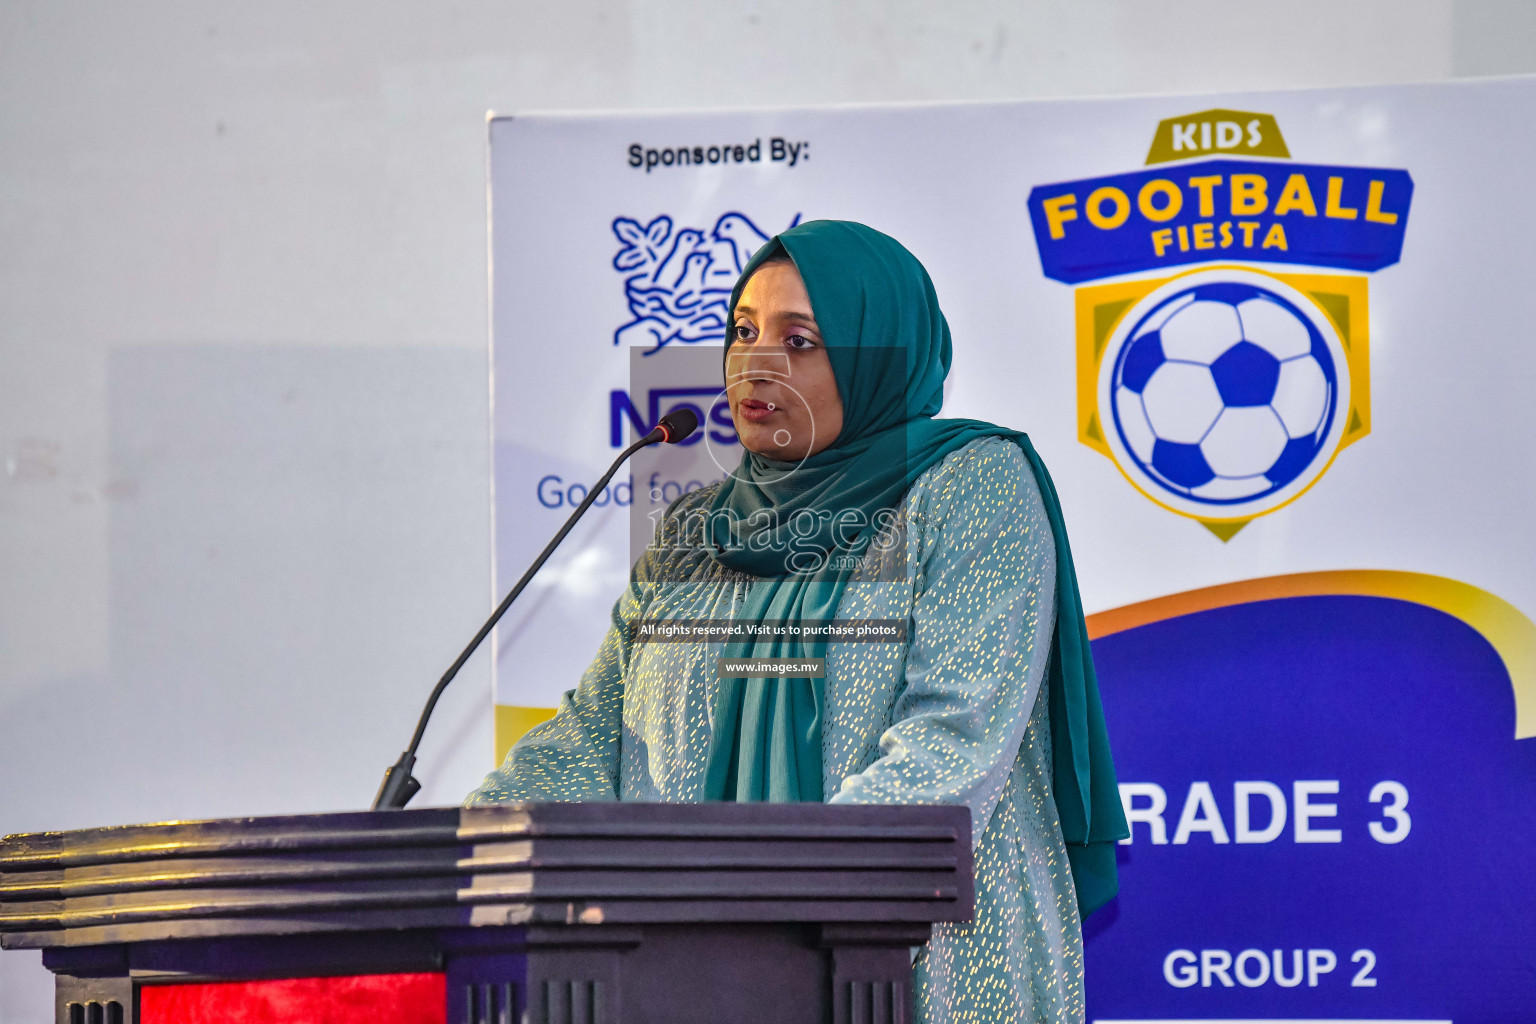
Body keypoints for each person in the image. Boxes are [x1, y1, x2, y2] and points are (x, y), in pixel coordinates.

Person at [468, 220, 1127, 1023]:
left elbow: (952, 738)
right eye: (742, 332)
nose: (756, 362)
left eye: (800, 339)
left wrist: (761, 893)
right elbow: (595, 737)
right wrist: (454, 854)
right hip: (703, 965)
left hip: (917, 962)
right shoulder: (695, 530)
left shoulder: (971, 483)